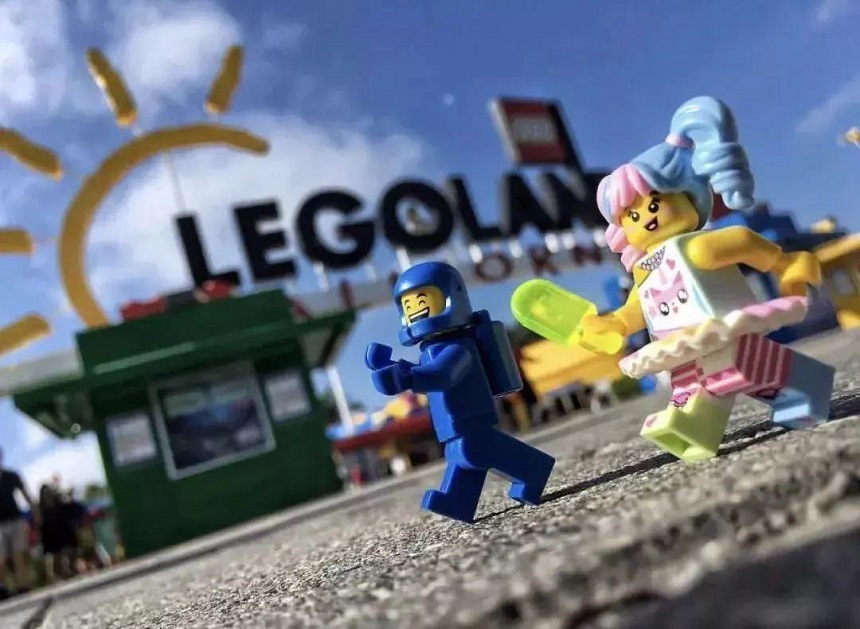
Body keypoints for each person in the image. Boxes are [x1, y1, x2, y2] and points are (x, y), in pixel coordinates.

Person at [0, 447, 37, 599]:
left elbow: (25, 494)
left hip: (15, 520)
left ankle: (23, 587)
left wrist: (35, 511)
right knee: (1, 558)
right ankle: (5, 588)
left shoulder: (11, 476)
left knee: (18, 555)